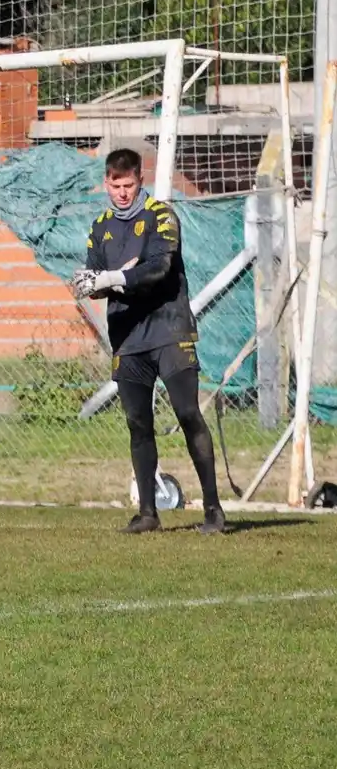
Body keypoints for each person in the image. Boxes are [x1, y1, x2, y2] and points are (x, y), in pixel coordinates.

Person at [73, 148, 226, 535]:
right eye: (116, 186)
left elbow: (159, 268)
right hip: (128, 337)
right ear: (106, 184)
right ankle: (147, 513)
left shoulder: (161, 215)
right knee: (137, 422)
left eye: (129, 185)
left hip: (169, 330)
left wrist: (114, 278)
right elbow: (95, 276)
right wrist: (90, 283)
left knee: (187, 413)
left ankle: (213, 509)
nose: (122, 193)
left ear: (140, 181)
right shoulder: (100, 227)